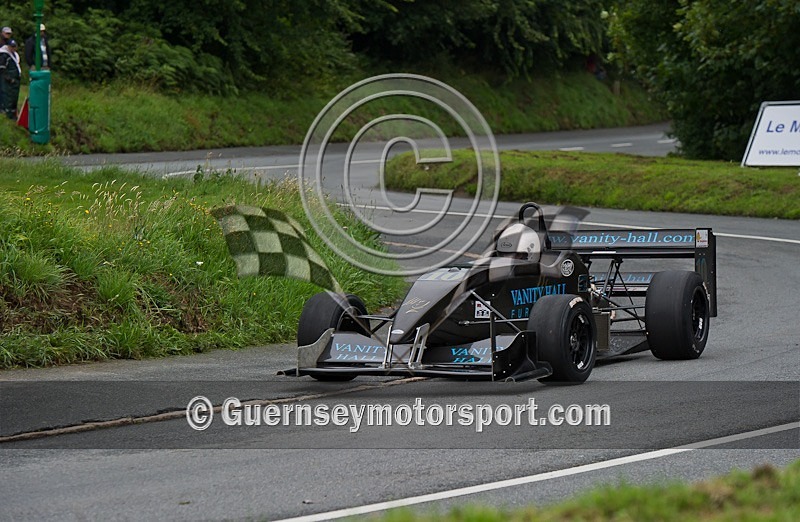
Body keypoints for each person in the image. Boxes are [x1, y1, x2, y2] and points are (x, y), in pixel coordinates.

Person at [0, 39, 21, 119]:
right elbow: (2, 69)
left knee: (14, 98)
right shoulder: (4, 55)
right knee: (7, 97)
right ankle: (7, 115)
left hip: (15, 79)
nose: (13, 48)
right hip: (8, 80)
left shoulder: (15, 55)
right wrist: (8, 78)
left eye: (14, 47)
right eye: (11, 47)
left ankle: (13, 114)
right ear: (8, 46)